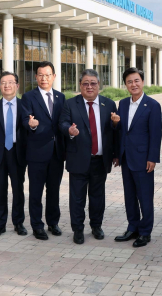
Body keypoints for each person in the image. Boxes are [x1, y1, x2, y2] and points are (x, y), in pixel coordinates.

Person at [60, 69, 118, 245]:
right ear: (80, 85)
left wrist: (115, 153)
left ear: (99, 85)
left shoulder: (108, 104)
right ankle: (78, 229)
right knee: (77, 197)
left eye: (93, 83)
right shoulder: (70, 104)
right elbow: (62, 123)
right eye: (85, 83)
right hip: (78, 159)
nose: (89, 86)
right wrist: (69, 130)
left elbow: (113, 133)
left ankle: (96, 226)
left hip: (100, 160)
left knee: (97, 196)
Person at [113, 67, 161, 248]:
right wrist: (117, 154)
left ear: (142, 82)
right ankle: (132, 227)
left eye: (136, 80)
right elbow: (121, 132)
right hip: (126, 158)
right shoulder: (123, 104)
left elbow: (155, 135)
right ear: (125, 85)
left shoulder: (153, 105)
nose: (133, 84)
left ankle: (145, 231)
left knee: (145, 197)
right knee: (130, 196)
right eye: (129, 82)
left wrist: (153, 158)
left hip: (143, 159)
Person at [20, 61, 65, 240]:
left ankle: (53, 223)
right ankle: (37, 225)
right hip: (37, 152)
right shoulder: (28, 97)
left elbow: (63, 122)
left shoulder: (61, 97)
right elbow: (24, 119)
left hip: (56, 152)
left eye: (47, 75)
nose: (44, 78)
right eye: (40, 75)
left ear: (54, 77)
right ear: (36, 77)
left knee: (54, 191)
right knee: (36, 192)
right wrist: (30, 125)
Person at [0, 71, 28, 238]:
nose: (7, 85)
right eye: (3, 82)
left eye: (10, 82)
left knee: (18, 189)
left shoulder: (25, 105)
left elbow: (28, 128)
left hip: (17, 152)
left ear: (17, 85)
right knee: (0, 190)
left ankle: (19, 223)